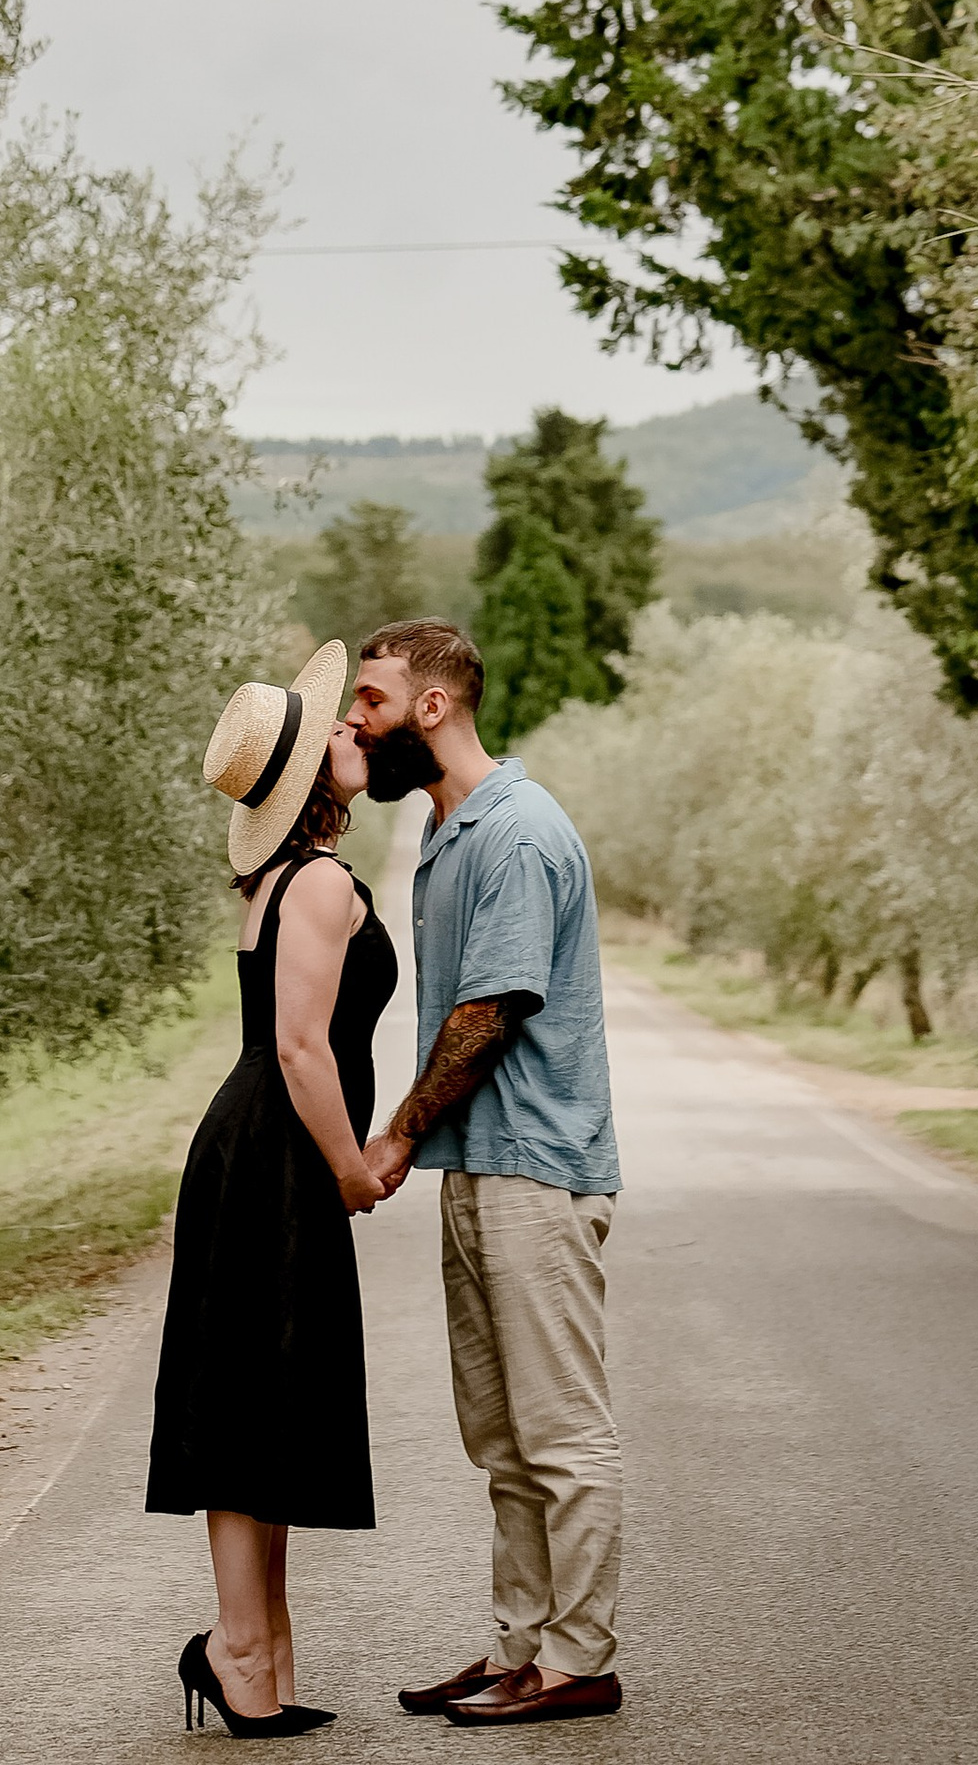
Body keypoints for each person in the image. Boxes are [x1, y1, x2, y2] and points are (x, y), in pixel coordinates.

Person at [351, 619, 624, 1729]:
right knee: (503, 1436)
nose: (351, 724)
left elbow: (489, 1013)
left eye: (369, 701)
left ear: (430, 706)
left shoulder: (515, 832)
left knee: (560, 1431)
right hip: (482, 1164)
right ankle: (521, 1646)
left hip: (536, 1173)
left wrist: (397, 1134)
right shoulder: (446, 828)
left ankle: (580, 1659)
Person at [148, 638, 399, 1737]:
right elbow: (303, 1051)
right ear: (305, 780)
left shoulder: (285, 880)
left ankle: (259, 1652)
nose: (356, 731)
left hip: (258, 1148)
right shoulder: (322, 885)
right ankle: (240, 1651)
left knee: (259, 1399)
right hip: (278, 1151)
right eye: (339, 730)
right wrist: (352, 1168)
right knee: (255, 1400)